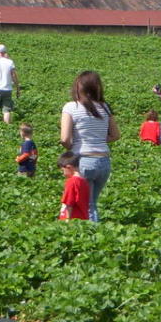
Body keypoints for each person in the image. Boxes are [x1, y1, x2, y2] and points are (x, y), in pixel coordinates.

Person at [60, 70, 120, 222]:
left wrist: (72, 147)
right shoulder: (104, 107)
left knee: (87, 204)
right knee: (91, 202)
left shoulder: (71, 107)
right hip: (104, 161)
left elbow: (65, 138)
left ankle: (90, 233)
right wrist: (97, 140)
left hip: (83, 160)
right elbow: (115, 135)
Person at [57, 151, 91, 221]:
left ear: (69, 167)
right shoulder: (84, 181)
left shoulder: (71, 182)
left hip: (72, 218)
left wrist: (67, 220)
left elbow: (69, 203)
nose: (63, 174)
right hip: (83, 217)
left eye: (63, 171)